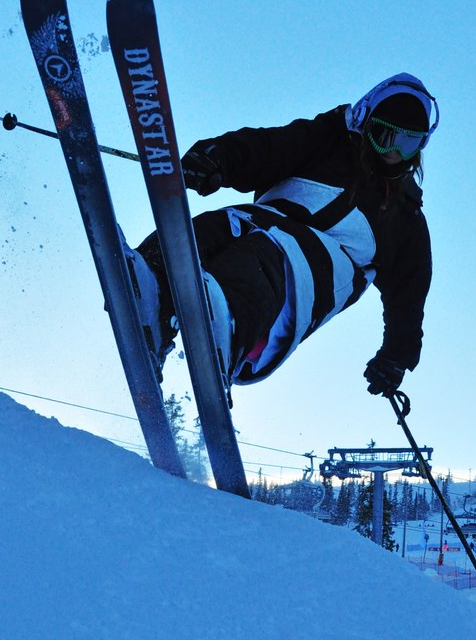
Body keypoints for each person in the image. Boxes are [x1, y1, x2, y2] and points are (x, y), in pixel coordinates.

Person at [128, 73, 437, 397]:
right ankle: (152, 287)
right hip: (260, 222)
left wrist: (395, 357)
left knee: (264, 258)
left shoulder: (405, 219)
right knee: (208, 230)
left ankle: (230, 323)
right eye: (385, 135)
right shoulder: (327, 142)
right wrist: (217, 158)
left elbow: (409, 295)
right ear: (365, 123)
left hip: (313, 275)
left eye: (408, 143)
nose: (393, 151)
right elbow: (269, 149)